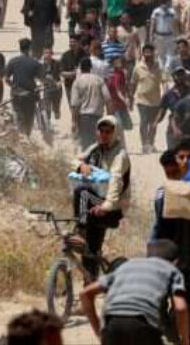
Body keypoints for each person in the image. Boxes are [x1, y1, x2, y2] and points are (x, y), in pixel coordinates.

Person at [79, 239, 189, 345]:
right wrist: (184, 340)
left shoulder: (127, 266)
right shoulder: (172, 270)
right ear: (176, 262)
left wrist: (98, 330)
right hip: (142, 325)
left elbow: (85, 293)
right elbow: (181, 308)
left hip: (111, 324)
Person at [73, 116, 130, 279]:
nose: (104, 134)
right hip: (96, 201)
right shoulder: (95, 148)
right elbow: (77, 158)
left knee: (81, 192)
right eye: (101, 130)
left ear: (115, 133)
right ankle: (90, 282)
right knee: (90, 248)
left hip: (113, 207)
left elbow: (116, 180)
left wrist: (107, 206)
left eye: (108, 131)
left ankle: (80, 230)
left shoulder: (120, 155)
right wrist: (80, 165)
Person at [70, 57, 111, 150]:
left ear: (80, 68)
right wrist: (109, 117)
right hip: (98, 117)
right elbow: (108, 99)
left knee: (85, 146)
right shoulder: (99, 80)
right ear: (90, 68)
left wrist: (74, 122)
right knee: (98, 143)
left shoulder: (77, 82)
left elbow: (74, 105)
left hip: (83, 118)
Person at [5, 38, 43, 136]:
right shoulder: (34, 62)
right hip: (29, 96)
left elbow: (6, 78)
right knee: (29, 119)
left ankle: (21, 137)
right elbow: (42, 78)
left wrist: (13, 86)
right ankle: (27, 136)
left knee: (18, 117)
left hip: (16, 95)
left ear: (20, 48)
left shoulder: (13, 61)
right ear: (30, 48)